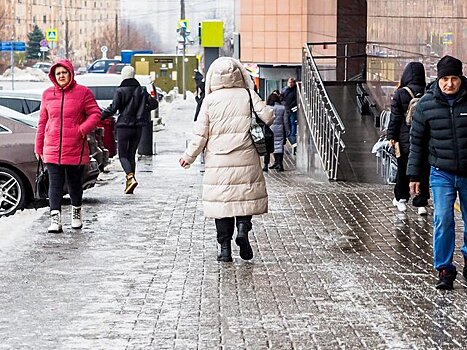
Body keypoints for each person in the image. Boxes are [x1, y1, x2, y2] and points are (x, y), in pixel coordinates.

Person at [179, 57, 274, 262]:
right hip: (246, 156)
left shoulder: (210, 101)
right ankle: (242, 230)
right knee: (244, 199)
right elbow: (268, 117)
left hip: (218, 162)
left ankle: (225, 250)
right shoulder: (247, 94)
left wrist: (189, 157)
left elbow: (200, 134)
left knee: (223, 206)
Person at [408, 55, 467, 290]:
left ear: (461, 78)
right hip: (441, 172)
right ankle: (444, 268)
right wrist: (414, 176)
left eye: (454, 78)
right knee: (443, 219)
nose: (449, 84)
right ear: (438, 79)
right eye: (445, 79)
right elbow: (417, 143)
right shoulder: (426, 105)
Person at [34, 59, 101, 233]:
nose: (61, 76)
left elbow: (95, 114)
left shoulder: (83, 93)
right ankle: (55, 220)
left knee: (74, 183)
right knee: (54, 184)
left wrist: (81, 130)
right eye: (58, 73)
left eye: (64, 72)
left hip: (74, 147)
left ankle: (76, 213)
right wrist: (38, 146)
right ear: (53, 77)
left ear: (70, 73)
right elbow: (42, 122)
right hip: (52, 147)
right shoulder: (47, 94)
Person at [101, 66, 158, 194]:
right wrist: (143, 110)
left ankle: (130, 177)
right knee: (131, 154)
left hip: (123, 127)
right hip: (137, 127)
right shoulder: (142, 90)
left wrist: (99, 116)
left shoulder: (120, 90)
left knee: (122, 155)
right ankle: (130, 184)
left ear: (123, 76)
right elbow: (154, 104)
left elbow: (113, 108)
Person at [387, 62, 429, 215]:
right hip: (425, 138)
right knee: (423, 170)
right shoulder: (428, 92)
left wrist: (391, 136)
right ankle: (421, 203)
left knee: (403, 169)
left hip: (404, 139)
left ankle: (401, 199)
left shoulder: (400, 93)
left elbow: (395, 118)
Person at [263, 91, 289, 172]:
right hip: (279, 129)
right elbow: (285, 121)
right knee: (279, 146)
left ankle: (266, 165)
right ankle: (280, 164)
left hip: (269, 129)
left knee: (267, 147)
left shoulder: (267, 108)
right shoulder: (282, 108)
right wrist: (287, 130)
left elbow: (265, 119)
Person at [281, 77, 298, 147]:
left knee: (293, 122)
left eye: (291, 82)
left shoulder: (296, 90)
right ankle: (289, 134)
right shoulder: (285, 90)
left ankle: (292, 135)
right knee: (287, 122)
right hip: (287, 108)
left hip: (293, 108)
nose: (290, 84)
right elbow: (282, 98)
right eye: (289, 82)